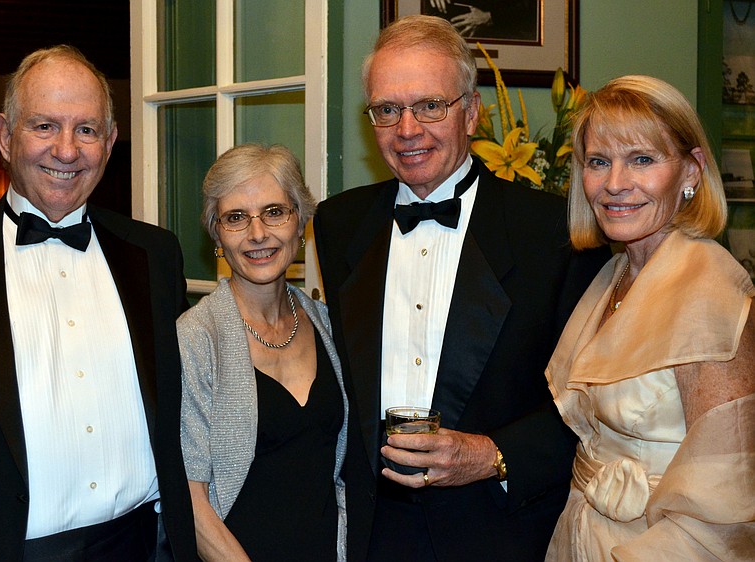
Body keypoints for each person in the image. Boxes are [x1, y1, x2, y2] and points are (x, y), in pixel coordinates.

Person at [314, 15, 608, 561]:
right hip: (372, 531)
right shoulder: (338, 225)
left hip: (502, 531)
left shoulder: (556, 234)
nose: (407, 129)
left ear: (471, 112)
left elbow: (592, 408)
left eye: (429, 106)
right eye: (387, 110)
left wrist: (492, 455)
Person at [0, 45, 195, 560]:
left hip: (144, 547)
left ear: (109, 143)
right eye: (44, 126)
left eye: (86, 130)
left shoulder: (155, 255)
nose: (66, 150)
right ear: (3, 136)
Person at [545, 75, 755, 561]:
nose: (615, 184)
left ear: (691, 171)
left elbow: (724, 509)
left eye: (642, 159)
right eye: (599, 162)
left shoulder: (707, 290)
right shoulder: (615, 274)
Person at [178, 144, 349, 561]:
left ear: (300, 220)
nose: (258, 234)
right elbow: (190, 500)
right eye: (236, 218)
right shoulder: (196, 338)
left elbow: (340, 474)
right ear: (217, 234)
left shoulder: (327, 323)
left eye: (274, 212)